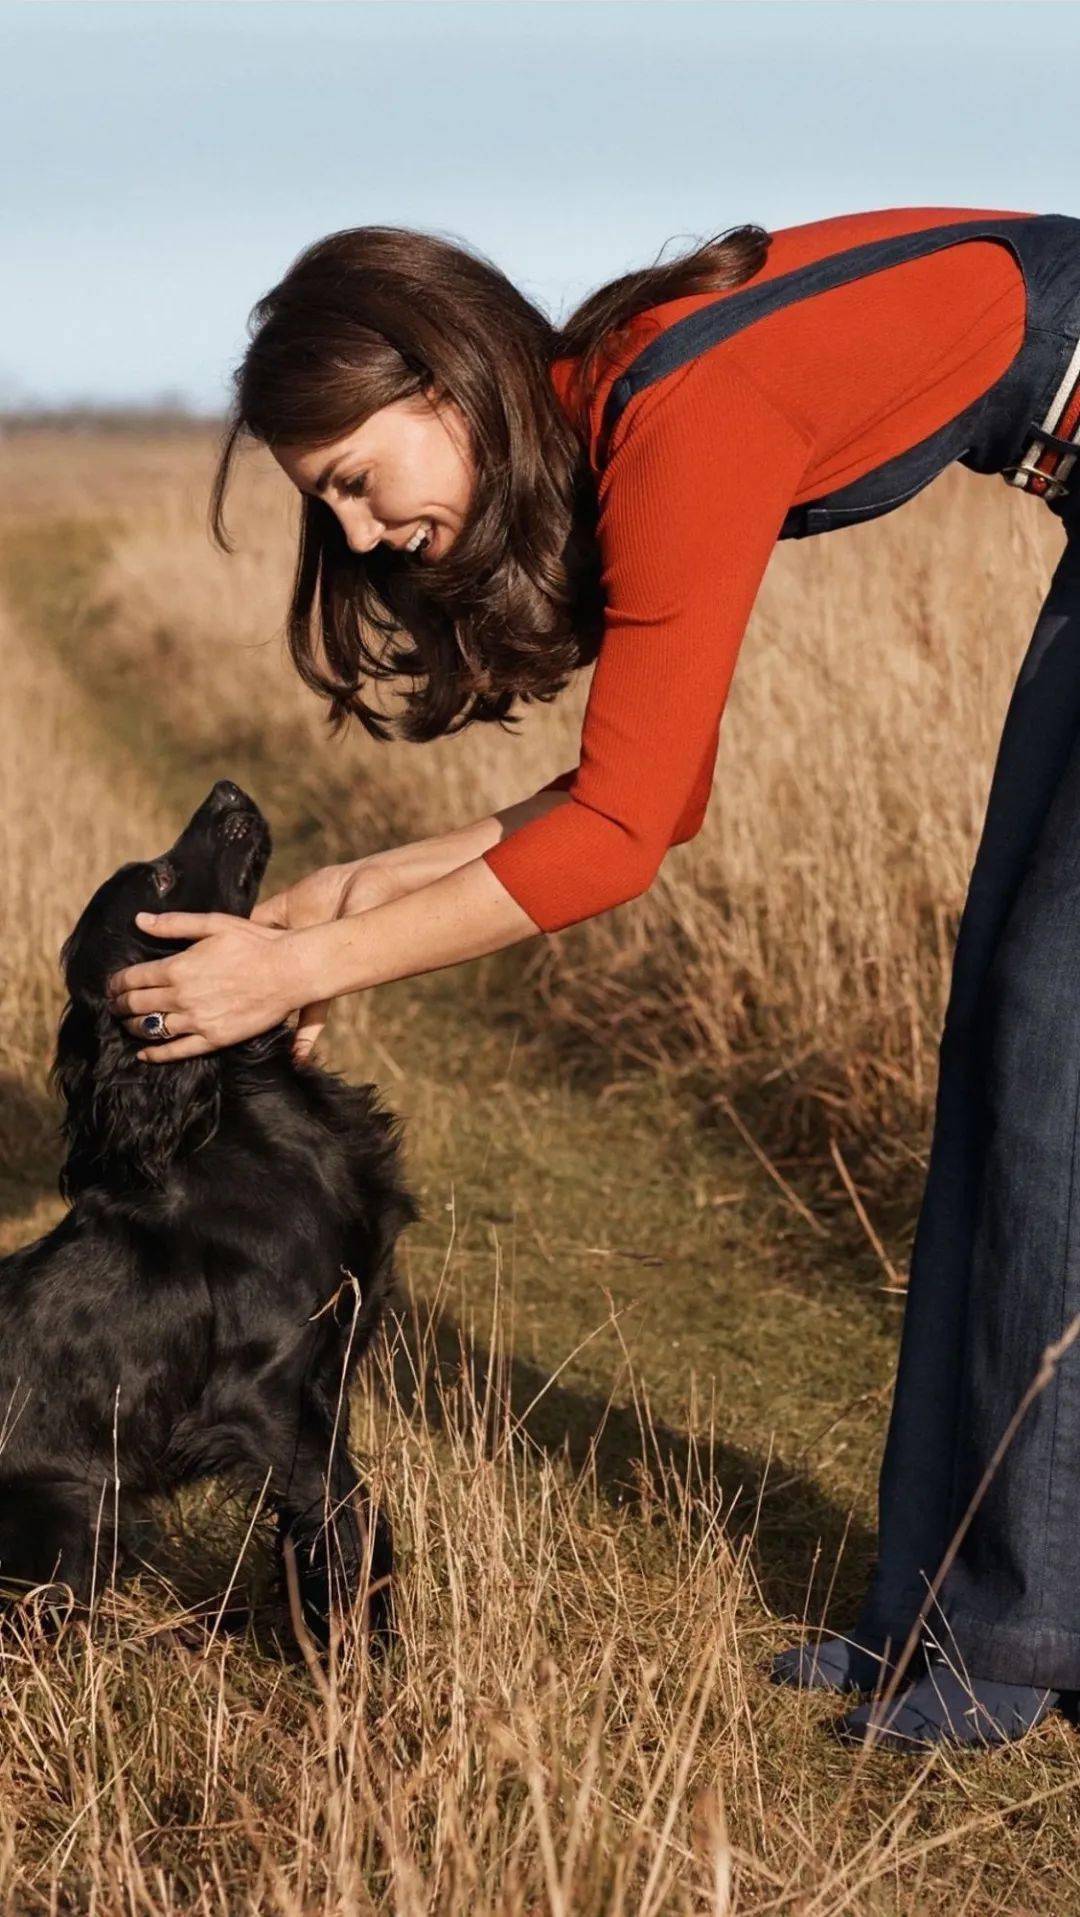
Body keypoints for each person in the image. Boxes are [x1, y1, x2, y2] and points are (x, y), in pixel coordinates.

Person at [106, 204, 1080, 1751]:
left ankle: (1010, 1638)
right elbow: (654, 789)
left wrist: (306, 962)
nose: (354, 532)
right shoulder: (613, 395)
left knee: (1053, 1062)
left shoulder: (681, 410)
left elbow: (624, 836)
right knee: (1014, 1048)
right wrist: (366, 886)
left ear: (445, 382)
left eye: (356, 479)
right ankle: (943, 1613)